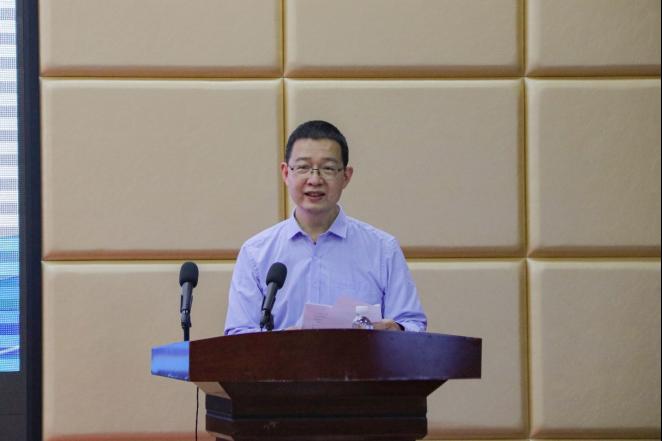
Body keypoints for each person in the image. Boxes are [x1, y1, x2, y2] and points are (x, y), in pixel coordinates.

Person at [224, 120, 427, 334]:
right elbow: (238, 335)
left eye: (328, 168)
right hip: (284, 358)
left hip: (362, 357)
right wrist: (284, 342)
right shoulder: (256, 253)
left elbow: (413, 325)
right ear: (285, 173)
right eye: (303, 167)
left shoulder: (382, 249)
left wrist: (395, 329)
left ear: (346, 176)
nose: (315, 179)